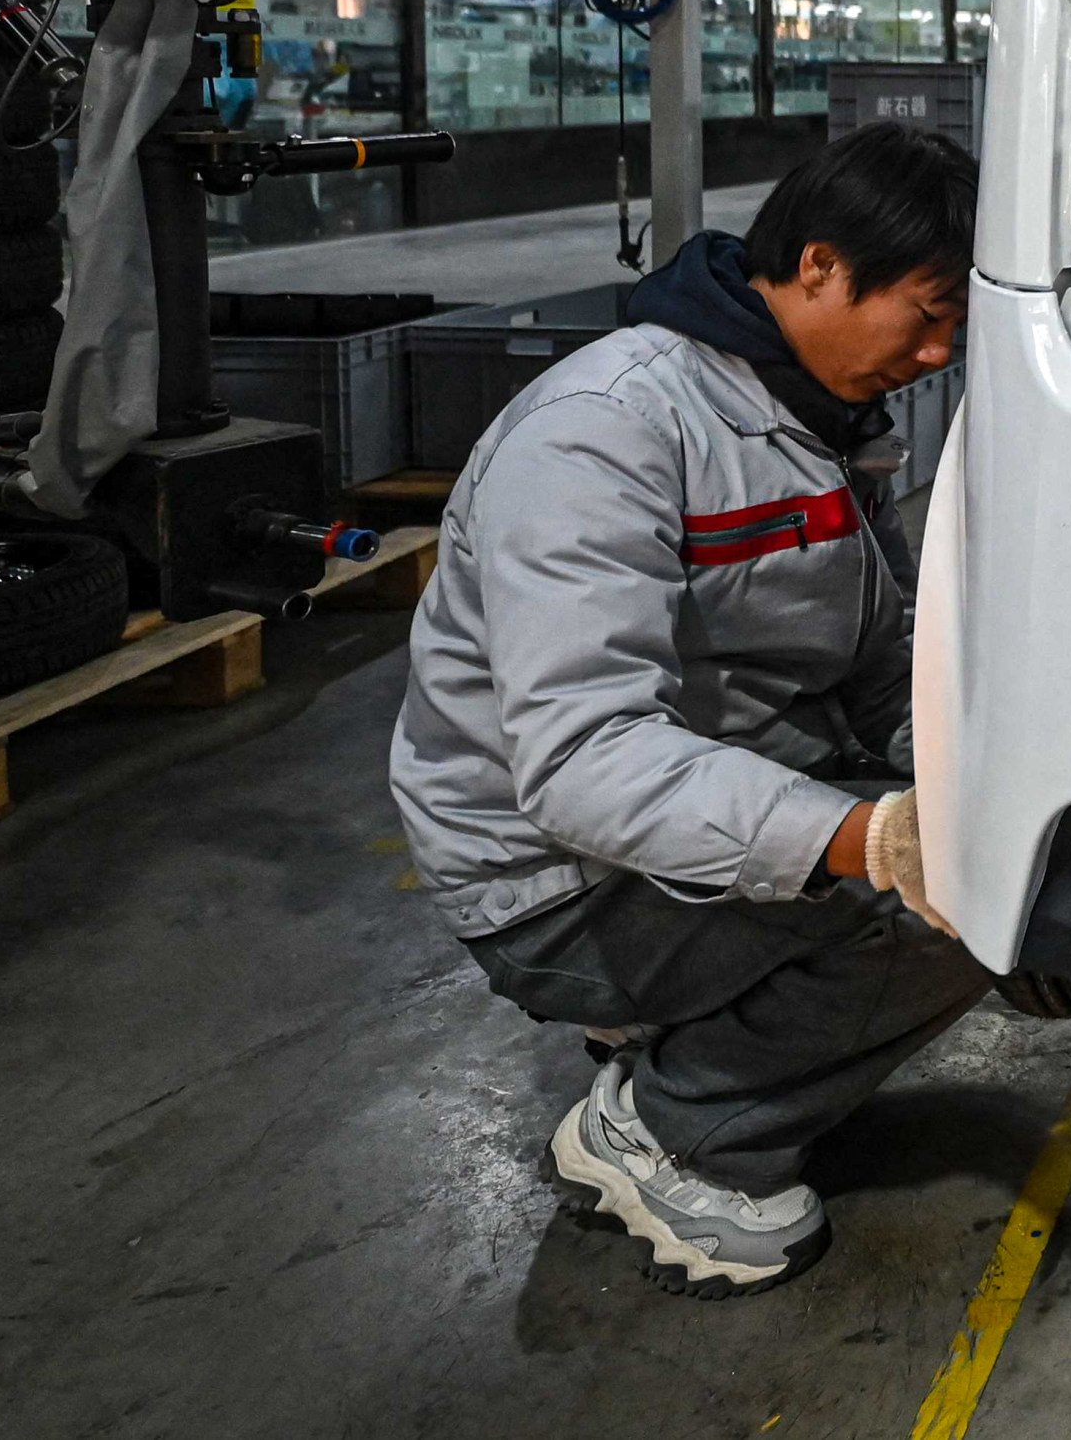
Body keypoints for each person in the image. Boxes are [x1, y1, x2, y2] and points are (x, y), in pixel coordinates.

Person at [391, 124, 985, 1297]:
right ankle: (676, 1129)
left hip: (707, 814)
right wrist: (876, 842)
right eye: (926, 312)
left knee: (988, 859)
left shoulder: (821, 416)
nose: (938, 352)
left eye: (960, 324)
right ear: (817, 266)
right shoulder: (603, 431)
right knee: (955, 907)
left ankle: (719, 1026)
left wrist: (963, 766)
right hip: (554, 882)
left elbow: (883, 655)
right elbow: (582, 762)